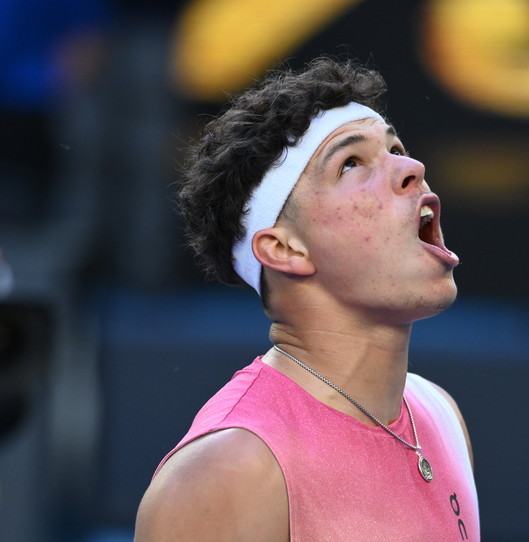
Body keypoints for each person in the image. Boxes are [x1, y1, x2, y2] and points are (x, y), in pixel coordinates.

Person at [134, 57, 479, 541]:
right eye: (352, 162)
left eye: (395, 148)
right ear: (284, 249)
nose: (413, 168)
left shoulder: (440, 413)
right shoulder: (228, 471)